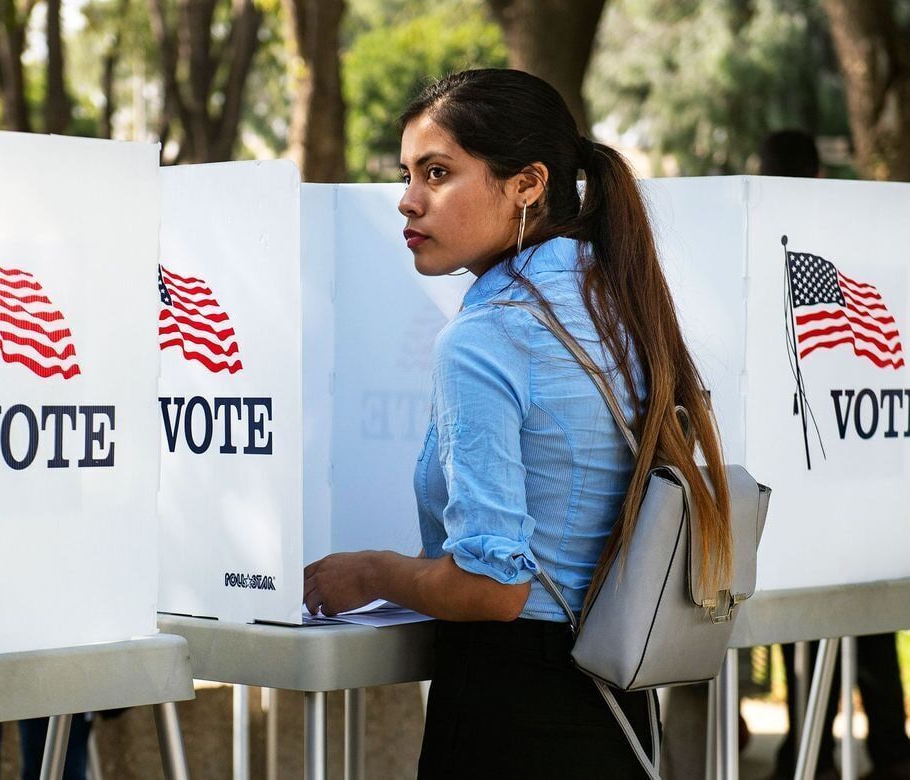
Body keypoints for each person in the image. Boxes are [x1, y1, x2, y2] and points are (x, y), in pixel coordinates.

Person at [302, 68, 734, 778]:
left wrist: (374, 571)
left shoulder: (489, 336)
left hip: (510, 715)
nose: (407, 201)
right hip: (617, 710)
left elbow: (493, 587)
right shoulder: (618, 303)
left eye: (437, 173)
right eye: (406, 174)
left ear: (528, 183)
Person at [759, 128, 910, 780]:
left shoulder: (770, 241)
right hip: (857, 471)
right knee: (863, 628)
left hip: (801, 479)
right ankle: (885, 751)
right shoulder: (844, 236)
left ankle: (810, 753)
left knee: (804, 634)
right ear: (818, 172)